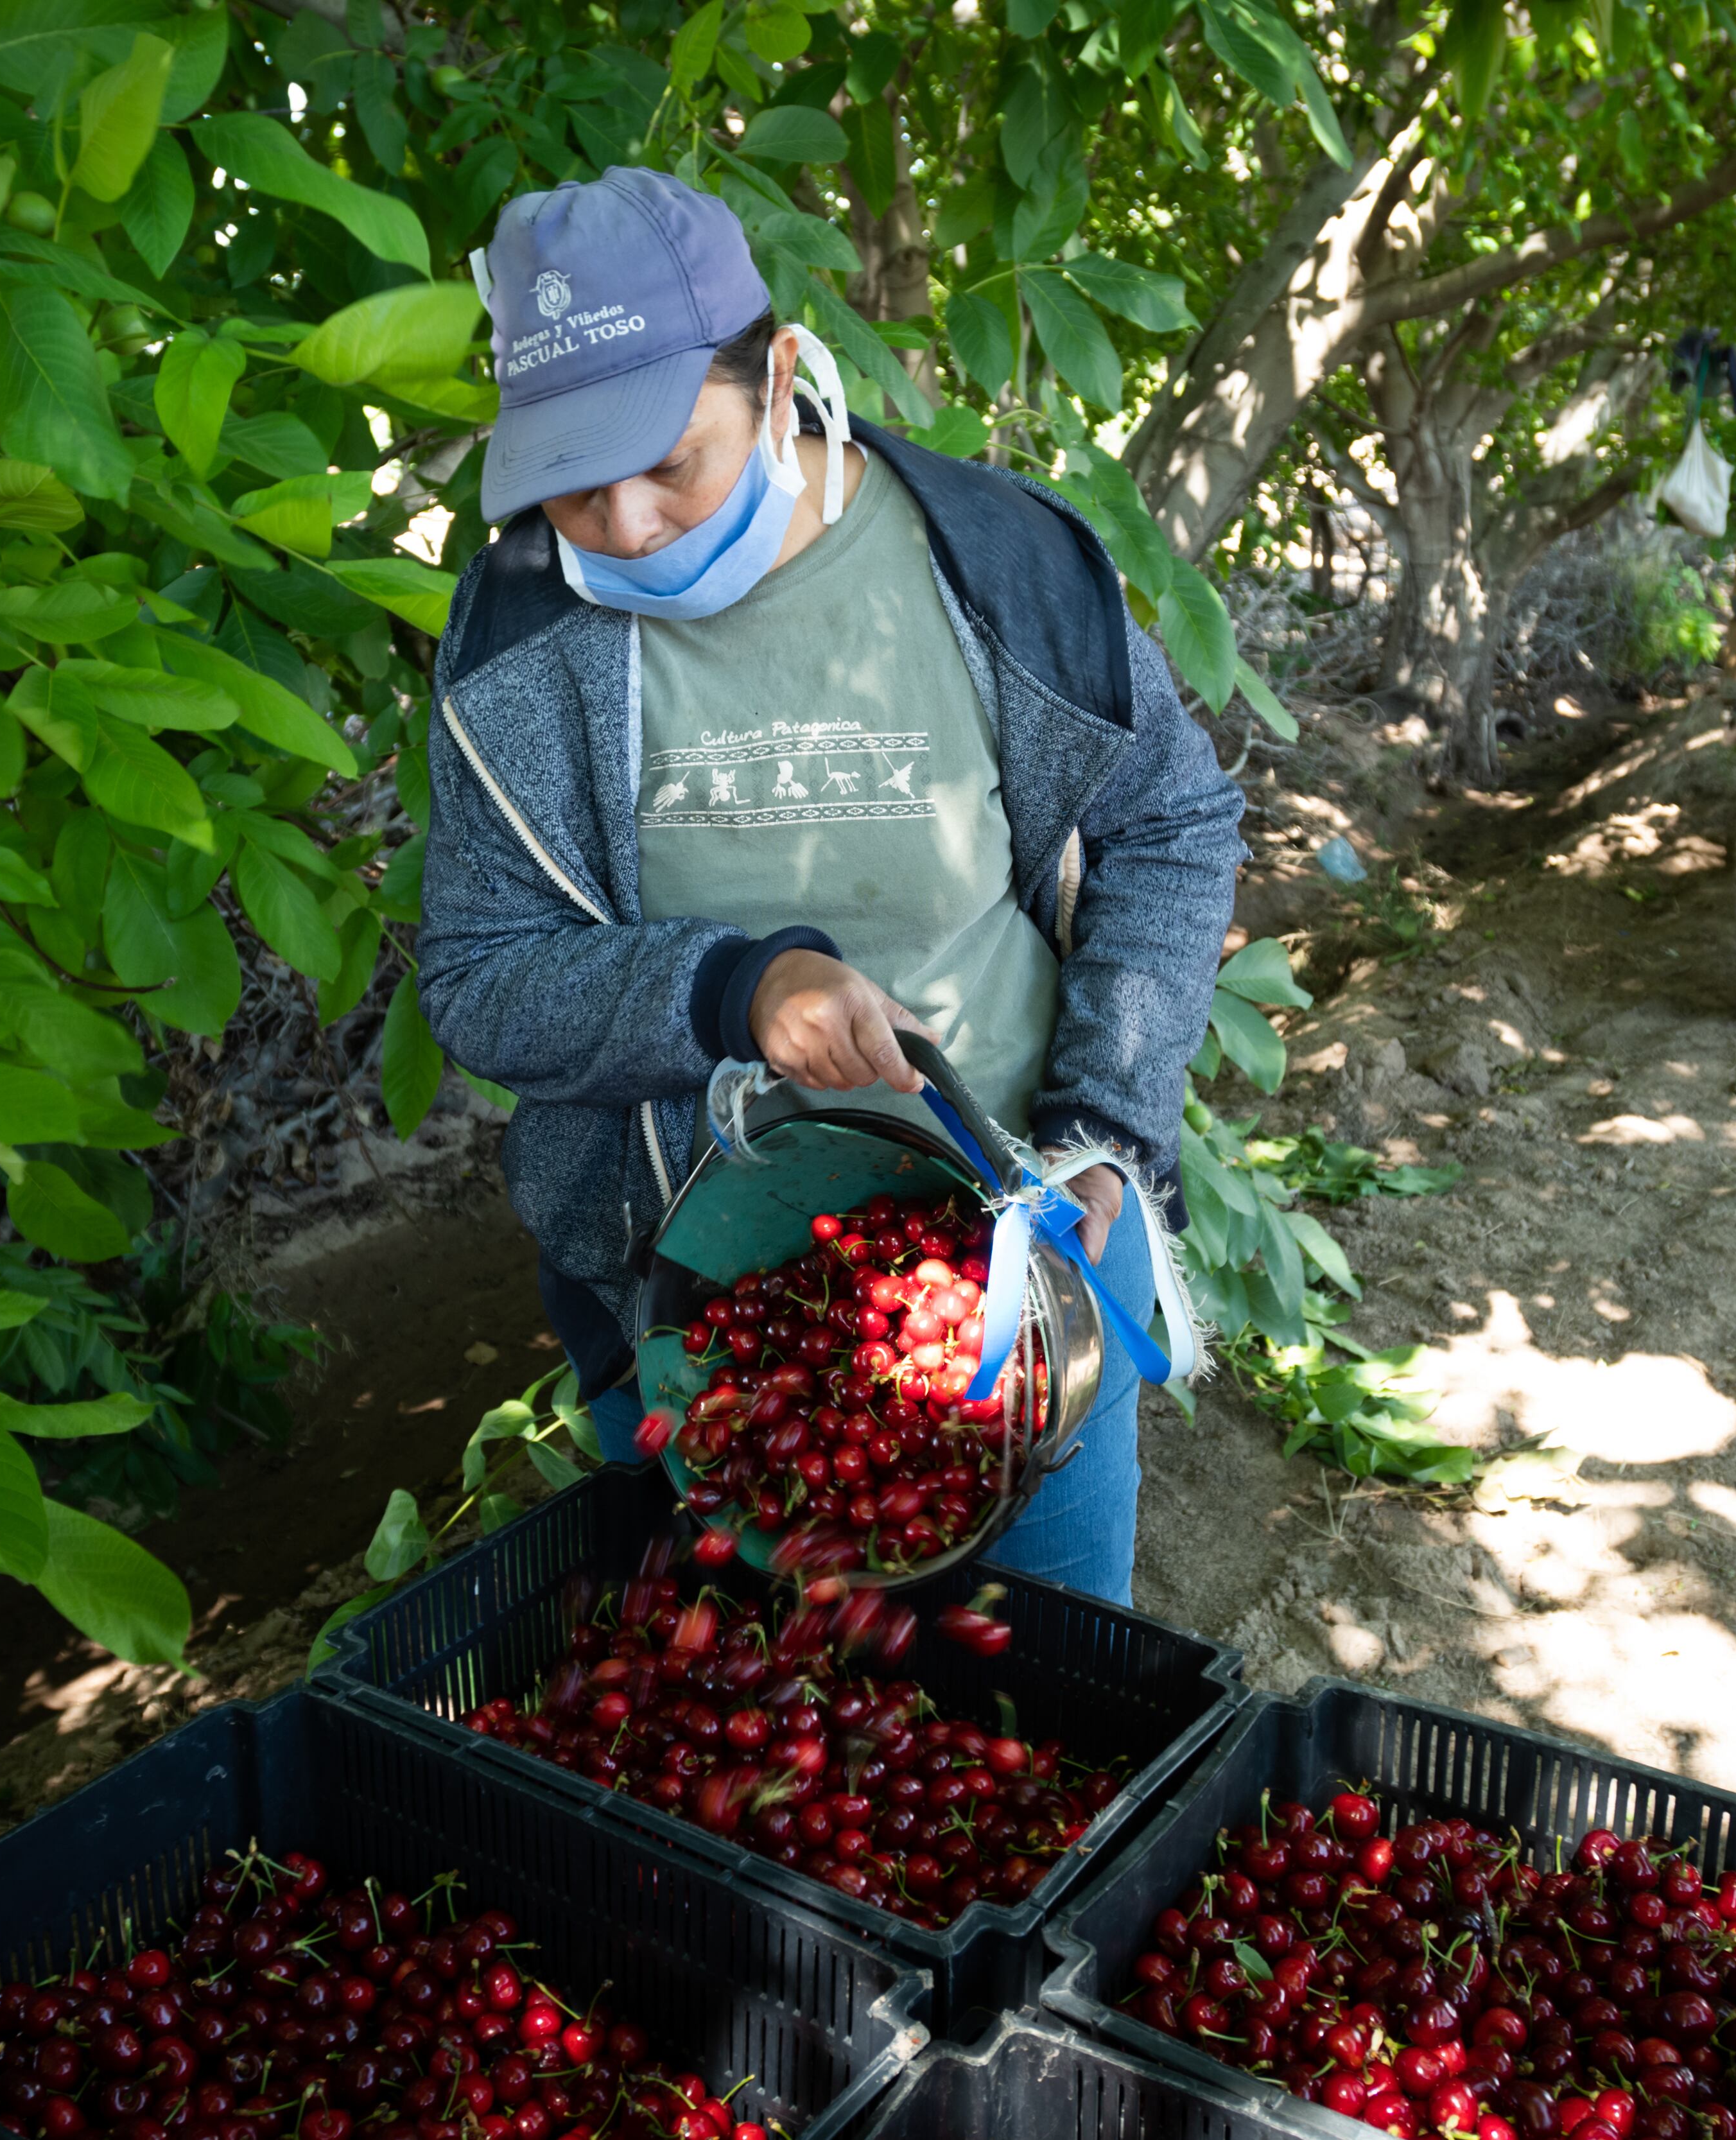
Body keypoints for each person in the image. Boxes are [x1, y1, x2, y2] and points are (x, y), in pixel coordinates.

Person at [417, 168, 1244, 1605]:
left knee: (1037, 1715)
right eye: (569, 481)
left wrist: (1108, 1127)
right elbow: (480, 978)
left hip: (1017, 1266)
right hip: (694, 1305)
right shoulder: (519, 642)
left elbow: (1171, 824)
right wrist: (732, 990)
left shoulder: (1002, 571)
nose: (618, 522)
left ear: (781, 374)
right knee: (739, 1721)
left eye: (669, 460)